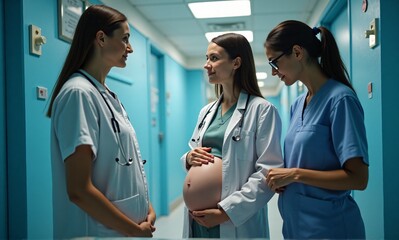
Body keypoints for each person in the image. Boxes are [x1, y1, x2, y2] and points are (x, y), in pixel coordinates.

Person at [47, 5, 156, 238]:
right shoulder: (78, 93)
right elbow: (79, 190)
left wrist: (146, 207)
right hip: (96, 233)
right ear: (101, 38)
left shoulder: (104, 94)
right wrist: (134, 230)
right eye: (125, 39)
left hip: (123, 230)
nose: (131, 48)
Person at [264, 20, 369, 239]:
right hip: (297, 227)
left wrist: (294, 175)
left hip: (331, 228)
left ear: (297, 52)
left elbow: (358, 179)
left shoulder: (341, 100)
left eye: (274, 63)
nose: (274, 72)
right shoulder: (297, 104)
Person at [180, 33, 284, 238]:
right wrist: (189, 158)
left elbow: (268, 172)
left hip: (235, 220)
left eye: (214, 58)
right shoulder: (206, 112)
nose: (206, 65)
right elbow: (196, 152)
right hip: (198, 221)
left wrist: (226, 212)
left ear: (236, 62)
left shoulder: (262, 110)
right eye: (206, 58)